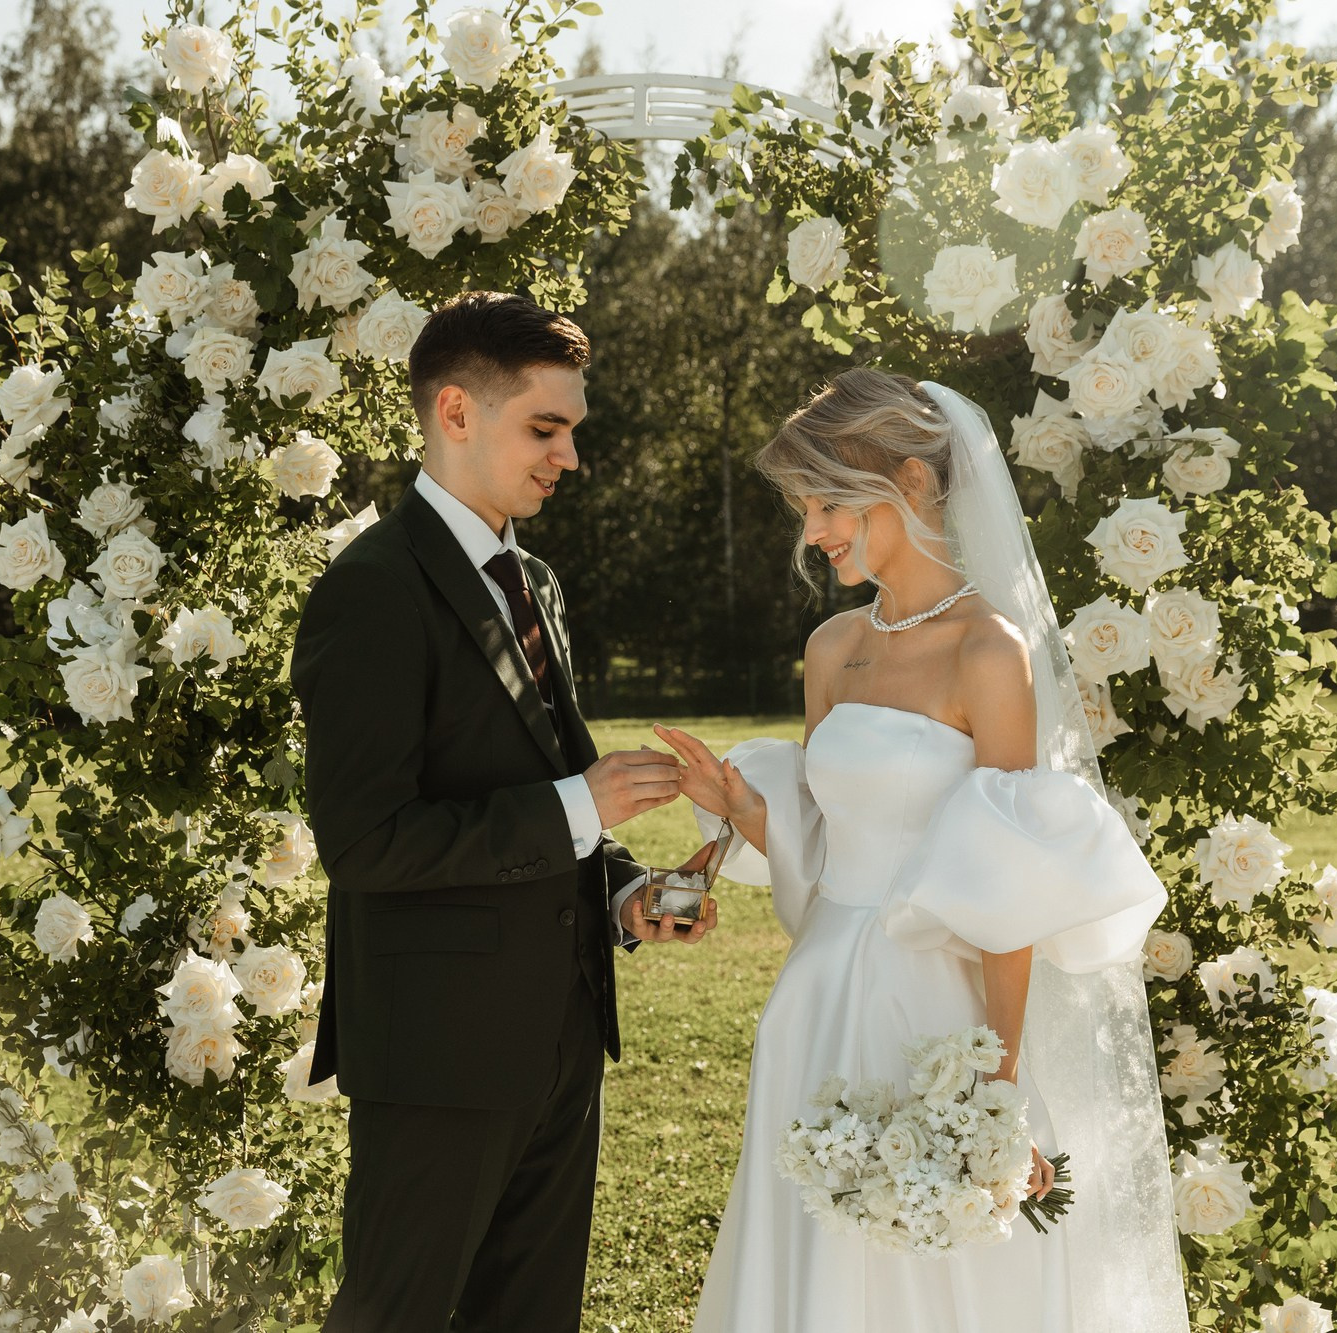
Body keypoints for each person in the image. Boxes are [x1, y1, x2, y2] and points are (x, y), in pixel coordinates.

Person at [653, 368, 1190, 1332]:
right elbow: (824, 867)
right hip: (816, 997)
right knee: (813, 1247)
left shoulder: (988, 650)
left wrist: (1000, 1079)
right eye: (803, 506)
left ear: (909, 480)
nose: (812, 530)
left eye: (826, 501)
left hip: (935, 1014)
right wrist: (741, 804)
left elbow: (1009, 884)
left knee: (932, 1275)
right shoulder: (830, 648)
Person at [290, 291, 720, 1333]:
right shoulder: (372, 591)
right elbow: (363, 841)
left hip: (561, 1032)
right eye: (545, 428)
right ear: (454, 414)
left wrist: (625, 892)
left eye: (570, 430)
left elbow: (545, 791)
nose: (566, 456)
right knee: (396, 1316)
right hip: (437, 1051)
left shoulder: (534, 583)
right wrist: (578, 803)